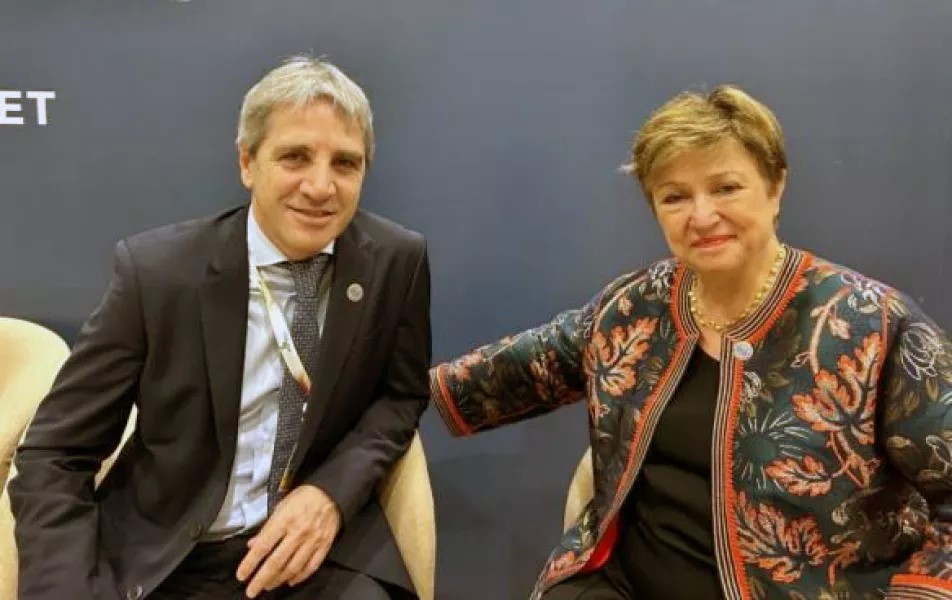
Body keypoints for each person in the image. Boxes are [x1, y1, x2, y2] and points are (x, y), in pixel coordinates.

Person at [430, 85, 952, 599]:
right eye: (675, 197)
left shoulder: (874, 325)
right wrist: (398, 380)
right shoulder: (634, 305)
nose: (701, 217)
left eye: (726, 188)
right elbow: (508, 374)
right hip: (620, 583)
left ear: (776, 188)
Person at [10, 56, 430, 600]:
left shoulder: (396, 262)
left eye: (345, 163)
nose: (320, 186)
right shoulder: (158, 275)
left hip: (315, 557)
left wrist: (331, 493)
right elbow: (54, 454)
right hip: (171, 557)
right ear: (247, 163)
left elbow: (399, 397)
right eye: (295, 157)